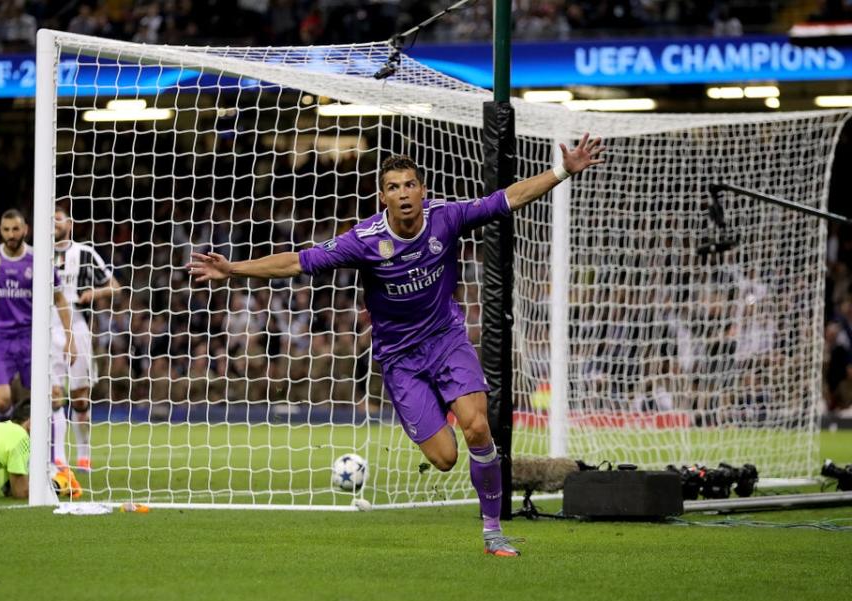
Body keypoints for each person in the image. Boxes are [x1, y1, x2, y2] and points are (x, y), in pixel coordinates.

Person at [188, 133, 607, 556]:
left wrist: (562, 171)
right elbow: (297, 260)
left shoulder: (447, 217)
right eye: (394, 187)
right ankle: (441, 411)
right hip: (400, 360)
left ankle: (493, 531)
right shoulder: (364, 240)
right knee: (444, 457)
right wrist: (233, 269)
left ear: (422, 191)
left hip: (447, 340)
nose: (403, 194)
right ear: (382, 197)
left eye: (410, 185)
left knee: (478, 427)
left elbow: (509, 198)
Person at [0, 209, 76, 419]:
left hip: (32, 339)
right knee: (1, 399)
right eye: (6, 230)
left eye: (15, 229)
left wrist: (70, 338)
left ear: (26, 229)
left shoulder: (40, 260)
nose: (11, 234)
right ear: (0, 231)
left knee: (50, 397)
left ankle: (49, 448)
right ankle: (8, 434)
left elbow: (59, 299)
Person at [50, 205, 120, 472]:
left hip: (77, 325)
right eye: (51, 221)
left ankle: (83, 454)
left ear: (70, 223)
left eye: (58, 220)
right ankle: (58, 457)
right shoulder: (39, 256)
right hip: (47, 326)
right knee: (53, 394)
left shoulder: (84, 254)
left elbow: (114, 286)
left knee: (80, 396)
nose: (54, 225)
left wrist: (93, 294)